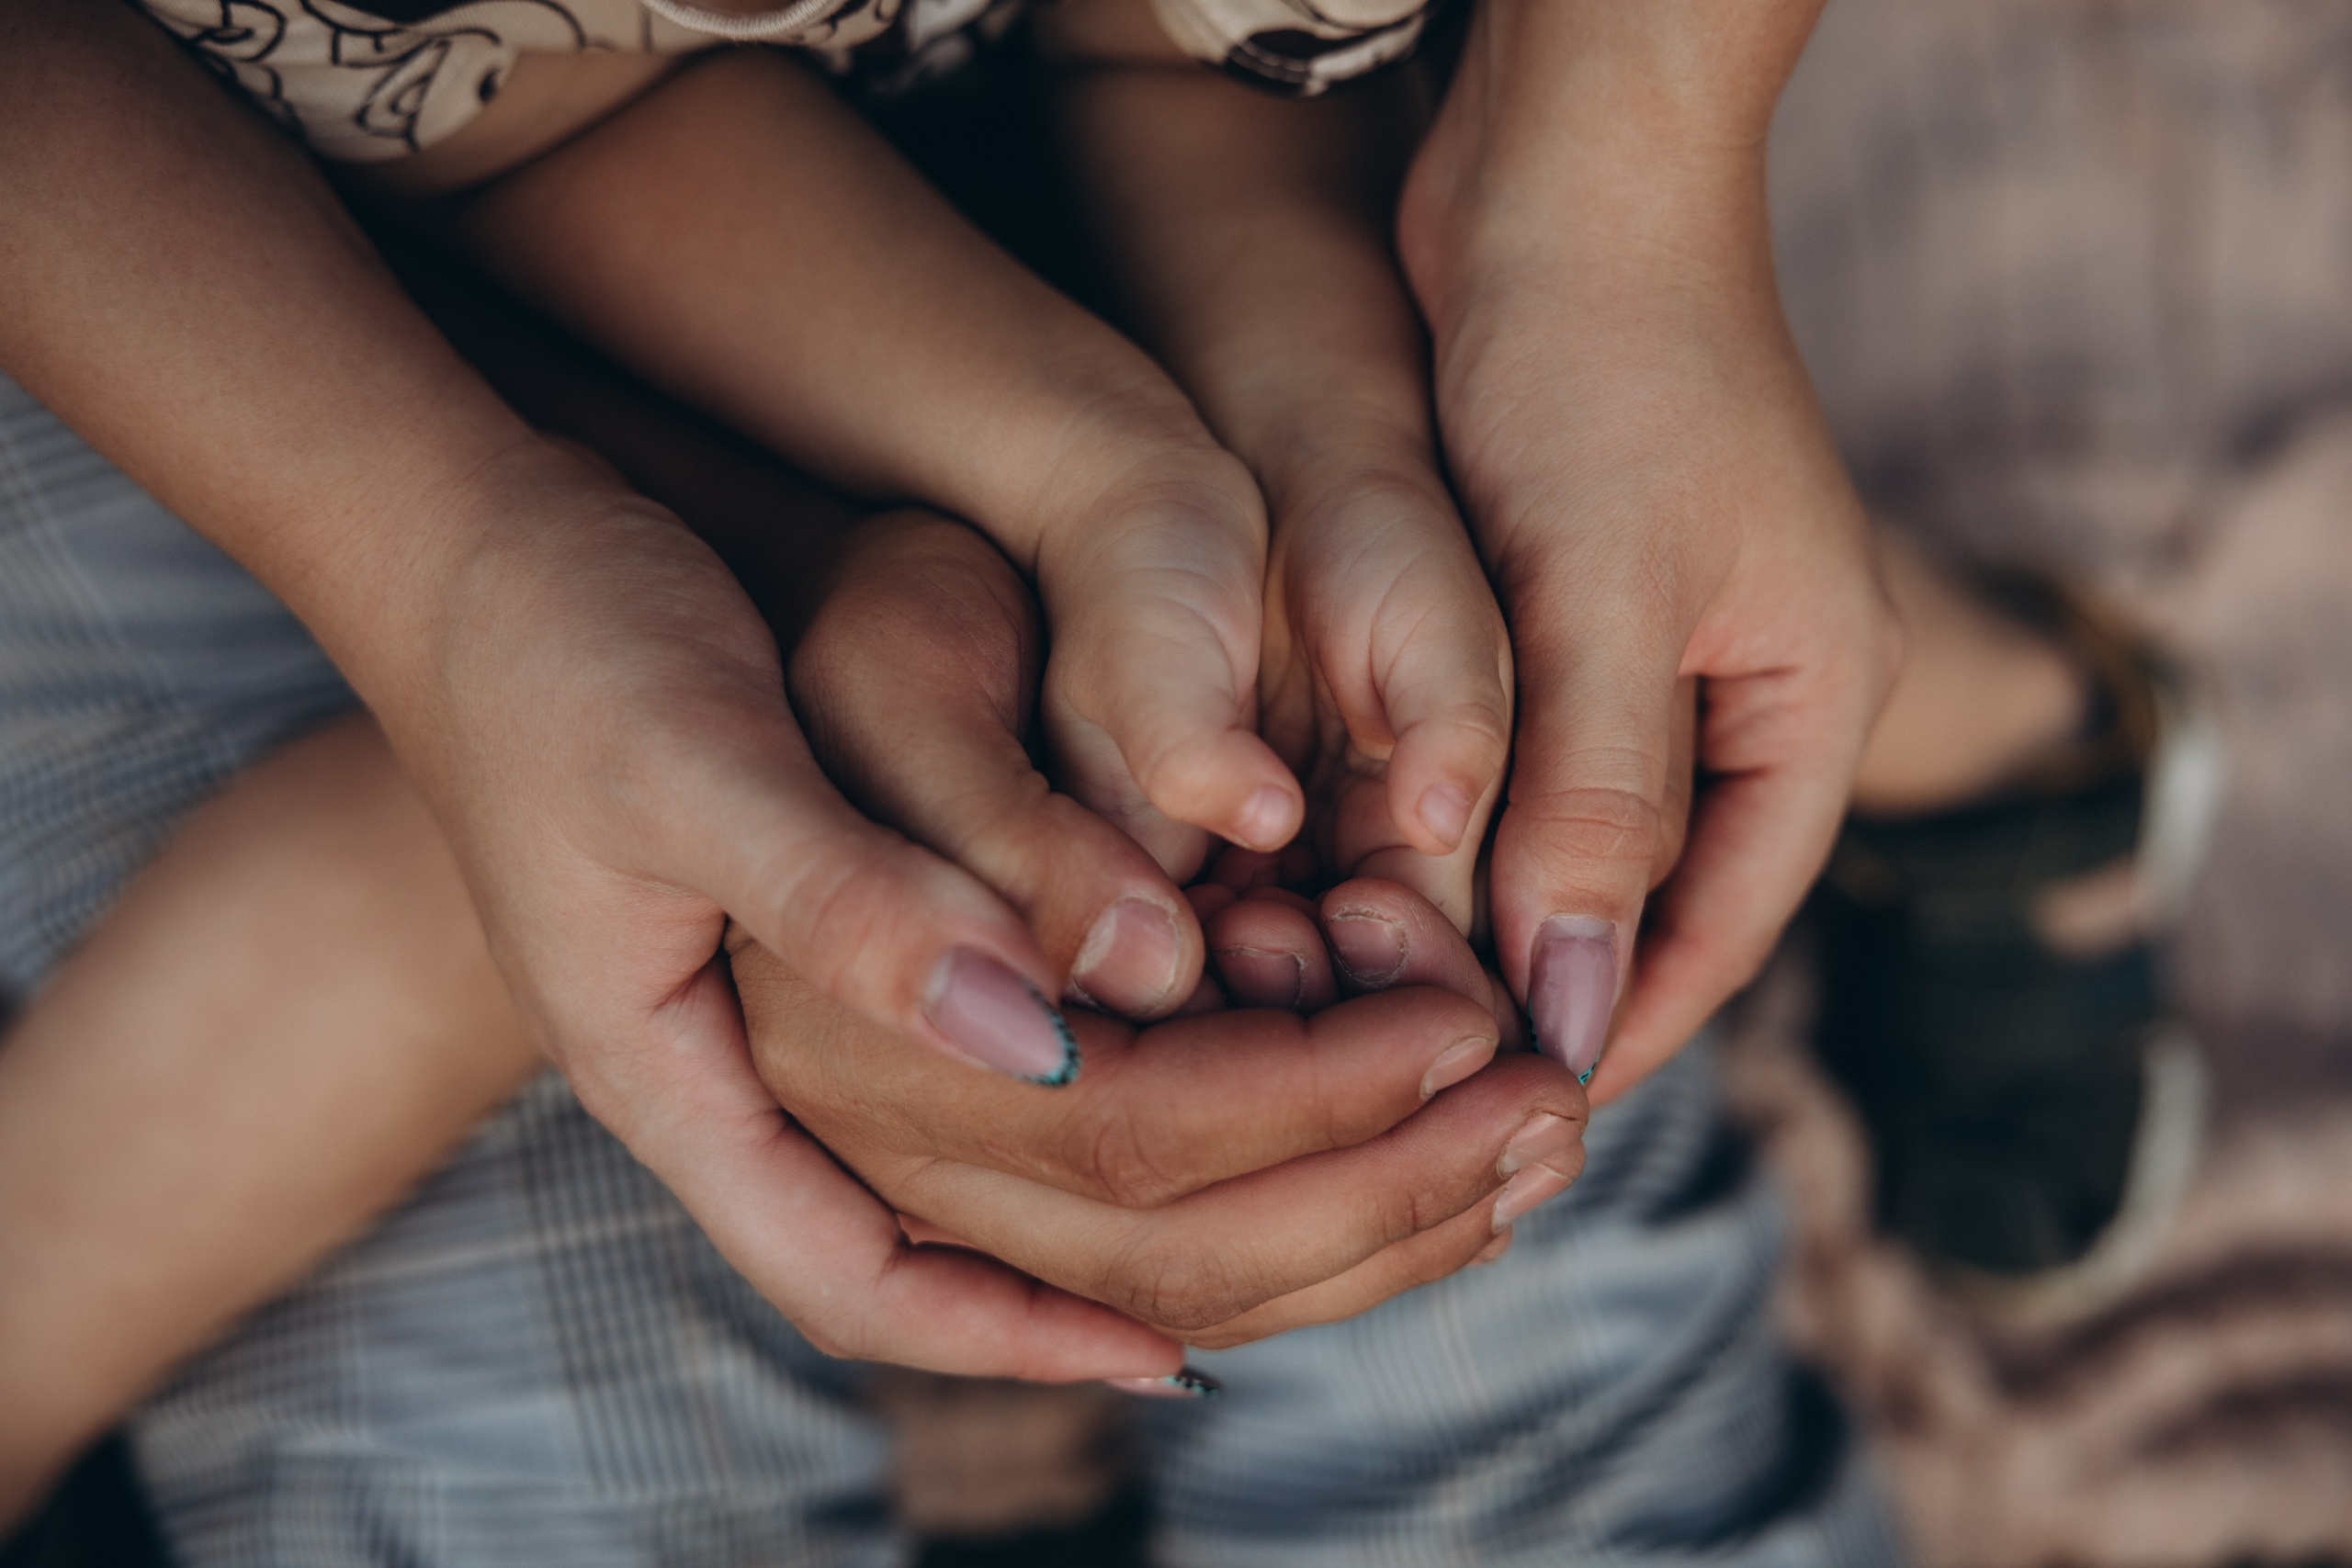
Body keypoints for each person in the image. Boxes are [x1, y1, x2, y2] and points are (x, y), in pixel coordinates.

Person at [2, 0, 1908, 1561]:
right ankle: (1993, 701)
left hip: (715, 196)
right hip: (211, 255)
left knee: (1470, 1268)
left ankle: (1991, 697)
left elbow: (1181, 56)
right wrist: (492, 596)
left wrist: (1597, 214)